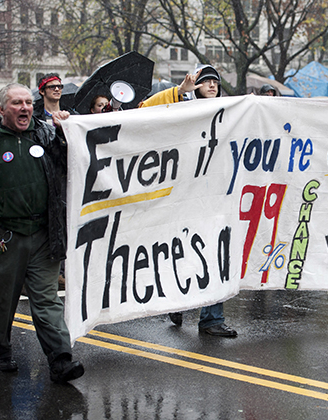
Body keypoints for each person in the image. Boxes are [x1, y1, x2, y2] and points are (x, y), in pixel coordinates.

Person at [0, 83, 85, 382]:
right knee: (0, 301)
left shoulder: (46, 133)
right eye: (17, 103)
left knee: (47, 300)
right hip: (3, 239)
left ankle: (61, 359)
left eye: (28, 102)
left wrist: (66, 131)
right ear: (2, 109)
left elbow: (72, 162)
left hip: (43, 236)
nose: (25, 108)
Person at [140, 64, 237, 337]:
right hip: (185, 196)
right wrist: (178, 92)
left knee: (218, 256)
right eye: (205, 81)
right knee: (186, 254)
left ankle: (212, 319)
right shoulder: (181, 111)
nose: (211, 86)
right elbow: (145, 109)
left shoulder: (231, 113)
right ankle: (177, 299)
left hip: (217, 197)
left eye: (215, 82)